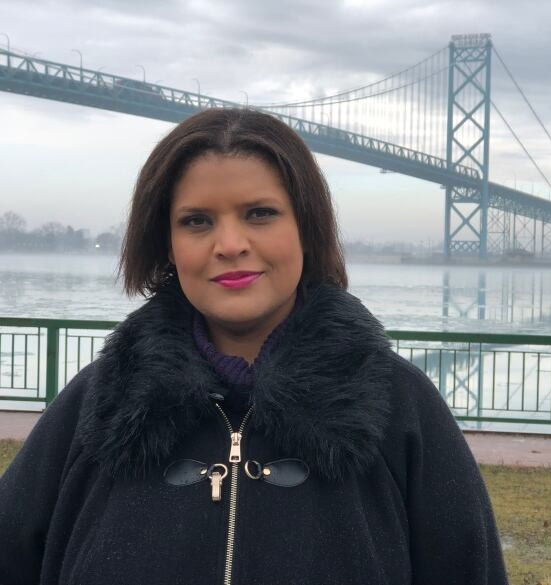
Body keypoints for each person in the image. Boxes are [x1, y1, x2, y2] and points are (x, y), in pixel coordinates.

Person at [0, 108, 508, 584]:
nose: (229, 244)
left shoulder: (402, 405)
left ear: (307, 230)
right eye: (196, 220)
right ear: (167, 244)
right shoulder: (97, 403)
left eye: (260, 213)